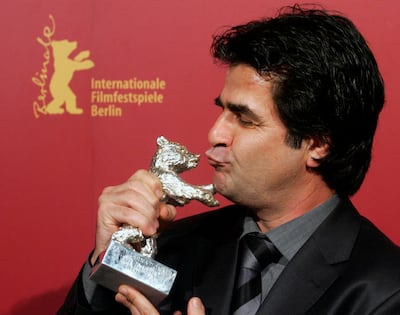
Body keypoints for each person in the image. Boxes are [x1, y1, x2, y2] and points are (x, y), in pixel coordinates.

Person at [58, 5, 400, 315]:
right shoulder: (171, 245)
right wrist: (108, 262)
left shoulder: (385, 290)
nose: (215, 133)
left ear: (318, 143)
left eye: (245, 118)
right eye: (222, 110)